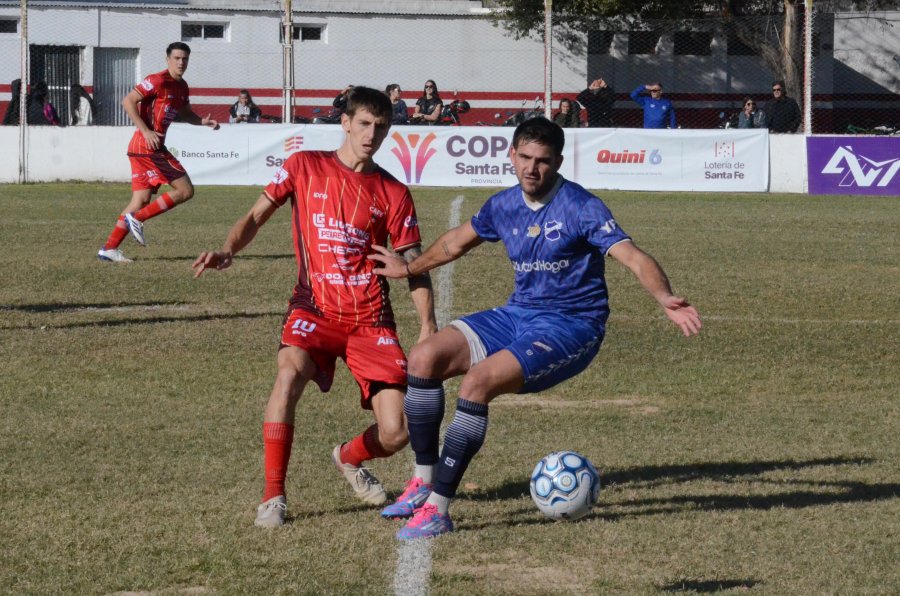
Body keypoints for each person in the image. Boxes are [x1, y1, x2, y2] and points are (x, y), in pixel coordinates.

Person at [368, 118, 702, 540]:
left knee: (477, 383)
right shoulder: (504, 204)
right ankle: (422, 482)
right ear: (512, 155)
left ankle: (438, 509)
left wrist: (664, 297)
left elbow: (632, 257)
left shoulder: (583, 207)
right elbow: (455, 242)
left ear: (558, 162)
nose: (532, 168)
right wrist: (409, 267)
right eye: (524, 157)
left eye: (543, 161)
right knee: (423, 358)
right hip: (518, 313)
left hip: (573, 325)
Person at [192, 86, 438, 529]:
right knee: (287, 376)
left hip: (370, 319)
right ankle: (273, 495)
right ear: (345, 122)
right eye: (364, 124)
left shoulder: (394, 192)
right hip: (315, 308)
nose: (372, 134)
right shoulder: (305, 166)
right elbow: (255, 215)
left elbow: (414, 265)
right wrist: (228, 249)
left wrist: (427, 322)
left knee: (397, 432)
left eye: (381, 127)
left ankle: (347, 457)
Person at [96, 42, 219, 263]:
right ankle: (138, 219)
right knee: (185, 190)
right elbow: (128, 101)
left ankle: (109, 248)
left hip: (140, 149)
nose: (181, 63)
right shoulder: (157, 80)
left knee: (140, 199)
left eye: (185, 59)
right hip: (148, 147)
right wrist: (146, 131)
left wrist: (203, 122)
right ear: (167, 59)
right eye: (177, 58)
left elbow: (186, 114)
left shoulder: (182, 87)